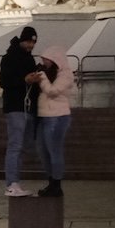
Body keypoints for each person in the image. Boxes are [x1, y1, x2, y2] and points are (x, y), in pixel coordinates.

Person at [0, 25, 44, 197]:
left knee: (23, 145)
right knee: (15, 145)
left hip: (27, 107)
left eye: (33, 42)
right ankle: (12, 183)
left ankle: (15, 182)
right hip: (15, 107)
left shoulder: (29, 59)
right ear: (23, 40)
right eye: (29, 42)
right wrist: (24, 79)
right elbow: (5, 82)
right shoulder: (9, 58)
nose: (32, 45)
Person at [35, 49, 74, 198]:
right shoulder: (49, 73)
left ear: (55, 59)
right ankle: (51, 182)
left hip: (57, 117)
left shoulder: (65, 75)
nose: (44, 62)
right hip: (44, 116)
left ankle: (56, 184)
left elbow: (53, 91)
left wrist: (42, 77)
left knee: (54, 151)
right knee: (43, 152)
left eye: (47, 59)